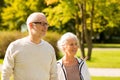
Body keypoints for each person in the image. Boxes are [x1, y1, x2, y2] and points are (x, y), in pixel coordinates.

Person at [2, 12, 58, 80]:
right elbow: (5, 73)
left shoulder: (49, 48)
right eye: (42, 24)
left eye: (46, 24)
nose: (45, 27)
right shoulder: (15, 46)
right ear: (31, 25)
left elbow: (54, 75)